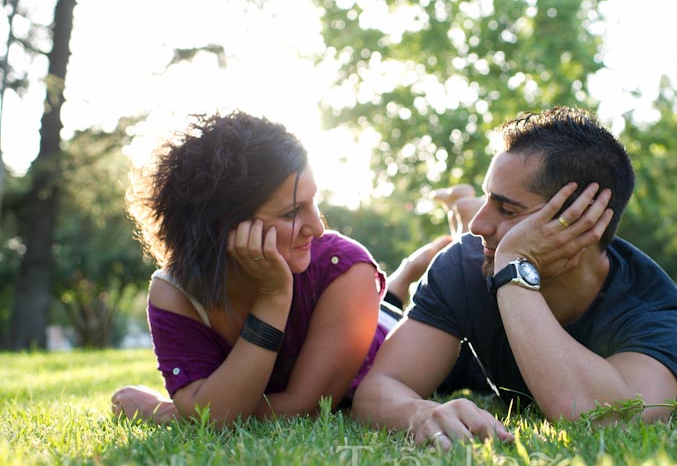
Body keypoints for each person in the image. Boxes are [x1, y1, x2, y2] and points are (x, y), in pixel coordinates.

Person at [351, 106, 677, 449]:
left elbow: (608, 419)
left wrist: (515, 265)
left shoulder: (664, 314)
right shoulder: (463, 265)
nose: (479, 226)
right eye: (489, 201)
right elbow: (377, 390)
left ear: (583, 220)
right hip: (471, 360)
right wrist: (420, 413)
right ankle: (467, 205)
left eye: (507, 209)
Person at [111, 111, 439, 426]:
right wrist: (273, 297)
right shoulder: (176, 292)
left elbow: (304, 409)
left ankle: (411, 271)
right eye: (292, 212)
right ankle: (405, 274)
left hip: (390, 338)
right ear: (225, 225)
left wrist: (164, 411)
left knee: (392, 311)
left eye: (314, 202)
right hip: (355, 310)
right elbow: (217, 412)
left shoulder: (344, 267)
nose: (317, 227)